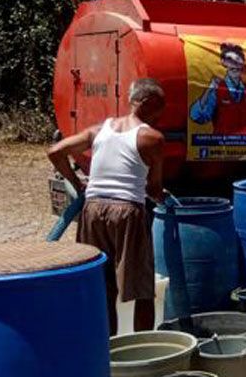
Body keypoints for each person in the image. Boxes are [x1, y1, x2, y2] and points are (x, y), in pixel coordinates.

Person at [48, 79, 167, 336]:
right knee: (142, 289)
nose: (161, 115)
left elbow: (56, 151)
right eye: (160, 108)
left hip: (92, 211)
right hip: (127, 213)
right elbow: (154, 189)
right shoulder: (152, 138)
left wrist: (76, 182)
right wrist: (159, 195)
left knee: (104, 287)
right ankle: (143, 350)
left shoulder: (100, 130)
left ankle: (108, 349)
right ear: (147, 104)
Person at [189, 42, 246, 134]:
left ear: (243, 63)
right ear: (224, 63)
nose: (234, 64)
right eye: (229, 59)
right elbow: (197, 117)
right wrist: (208, 90)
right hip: (221, 146)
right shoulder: (217, 88)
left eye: (237, 59)